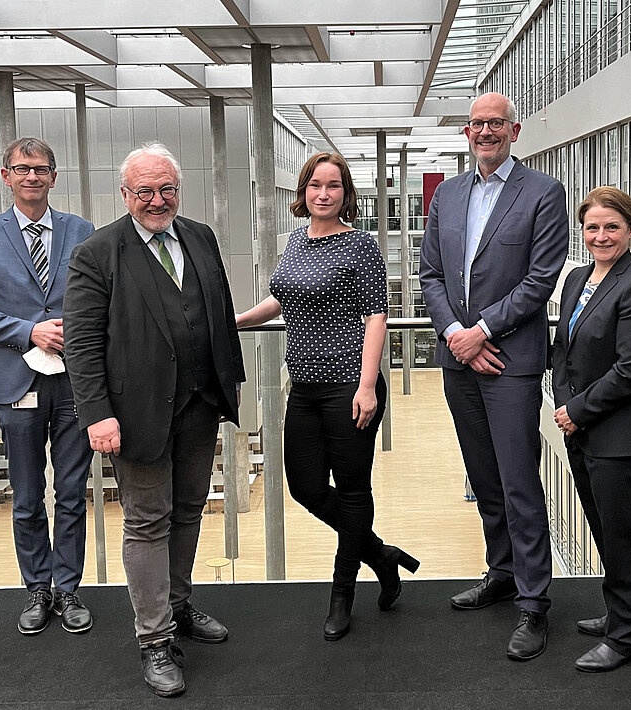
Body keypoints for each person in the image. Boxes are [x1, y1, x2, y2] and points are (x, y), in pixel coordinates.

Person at [63, 143, 245, 697]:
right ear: (125, 194)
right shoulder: (97, 253)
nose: (157, 200)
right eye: (145, 191)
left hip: (199, 405)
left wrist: (225, 386)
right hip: (134, 415)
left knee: (189, 510)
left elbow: (215, 309)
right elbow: (82, 342)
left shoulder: (200, 236)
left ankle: (179, 604)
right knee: (146, 521)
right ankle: (155, 640)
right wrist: (97, 414)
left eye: (166, 188)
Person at [237, 152, 418, 643]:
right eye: (315, 184)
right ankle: (380, 554)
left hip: (348, 387)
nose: (323, 193)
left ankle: (343, 592)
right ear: (303, 191)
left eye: (333, 186)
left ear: (345, 194)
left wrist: (365, 385)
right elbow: (283, 299)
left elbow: (375, 316)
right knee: (306, 488)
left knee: (354, 489)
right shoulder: (296, 240)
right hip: (305, 388)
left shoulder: (361, 246)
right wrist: (236, 321)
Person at [419, 92, 569, 661]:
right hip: (461, 359)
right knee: (483, 477)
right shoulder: (449, 194)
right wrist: (459, 336)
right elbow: (430, 273)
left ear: (514, 129)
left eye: (496, 124)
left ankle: (534, 603)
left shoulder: (543, 193)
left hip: (511, 360)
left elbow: (539, 280)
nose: (486, 132)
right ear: (466, 132)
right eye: (477, 125)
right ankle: (501, 571)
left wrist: (480, 331)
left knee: (519, 482)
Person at [0, 137, 95, 636]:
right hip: (19, 381)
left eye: (41, 169)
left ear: (54, 178)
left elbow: (99, 297)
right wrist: (28, 331)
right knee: (26, 496)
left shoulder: (82, 230)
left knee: (73, 492)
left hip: (76, 383)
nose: (32, 177)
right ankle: (37, 588)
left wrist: (68, 329)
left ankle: (69, 590)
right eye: (22, 169)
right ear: (6, 176)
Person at [551, 187, 631, 672]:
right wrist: (565, 405)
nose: (600, 236)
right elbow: (564, 351)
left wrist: (578, 410)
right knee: (607, 531)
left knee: (622, 537)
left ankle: (623, 640)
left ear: (630, 230)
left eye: (611, 227)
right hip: (584, 430)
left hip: (625, 435)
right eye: (592, 227)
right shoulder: (579, 278)